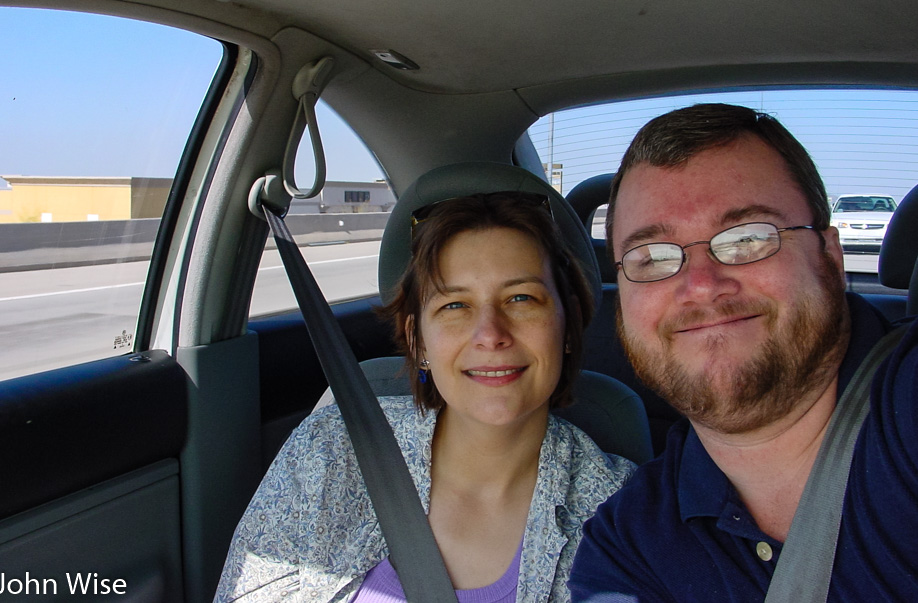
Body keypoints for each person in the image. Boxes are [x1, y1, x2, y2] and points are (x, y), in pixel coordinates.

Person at [568, 103, 918, 601]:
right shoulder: (627, 546)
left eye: (749, 239)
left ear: (831, 257)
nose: (702, 286)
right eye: (652, 257)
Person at [215, 191, 635, 602]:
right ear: (418, 343)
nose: (490, 335)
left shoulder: (621, 508)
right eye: (455, 305)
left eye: (521, 298)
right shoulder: (331, 448)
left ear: (568, 324)